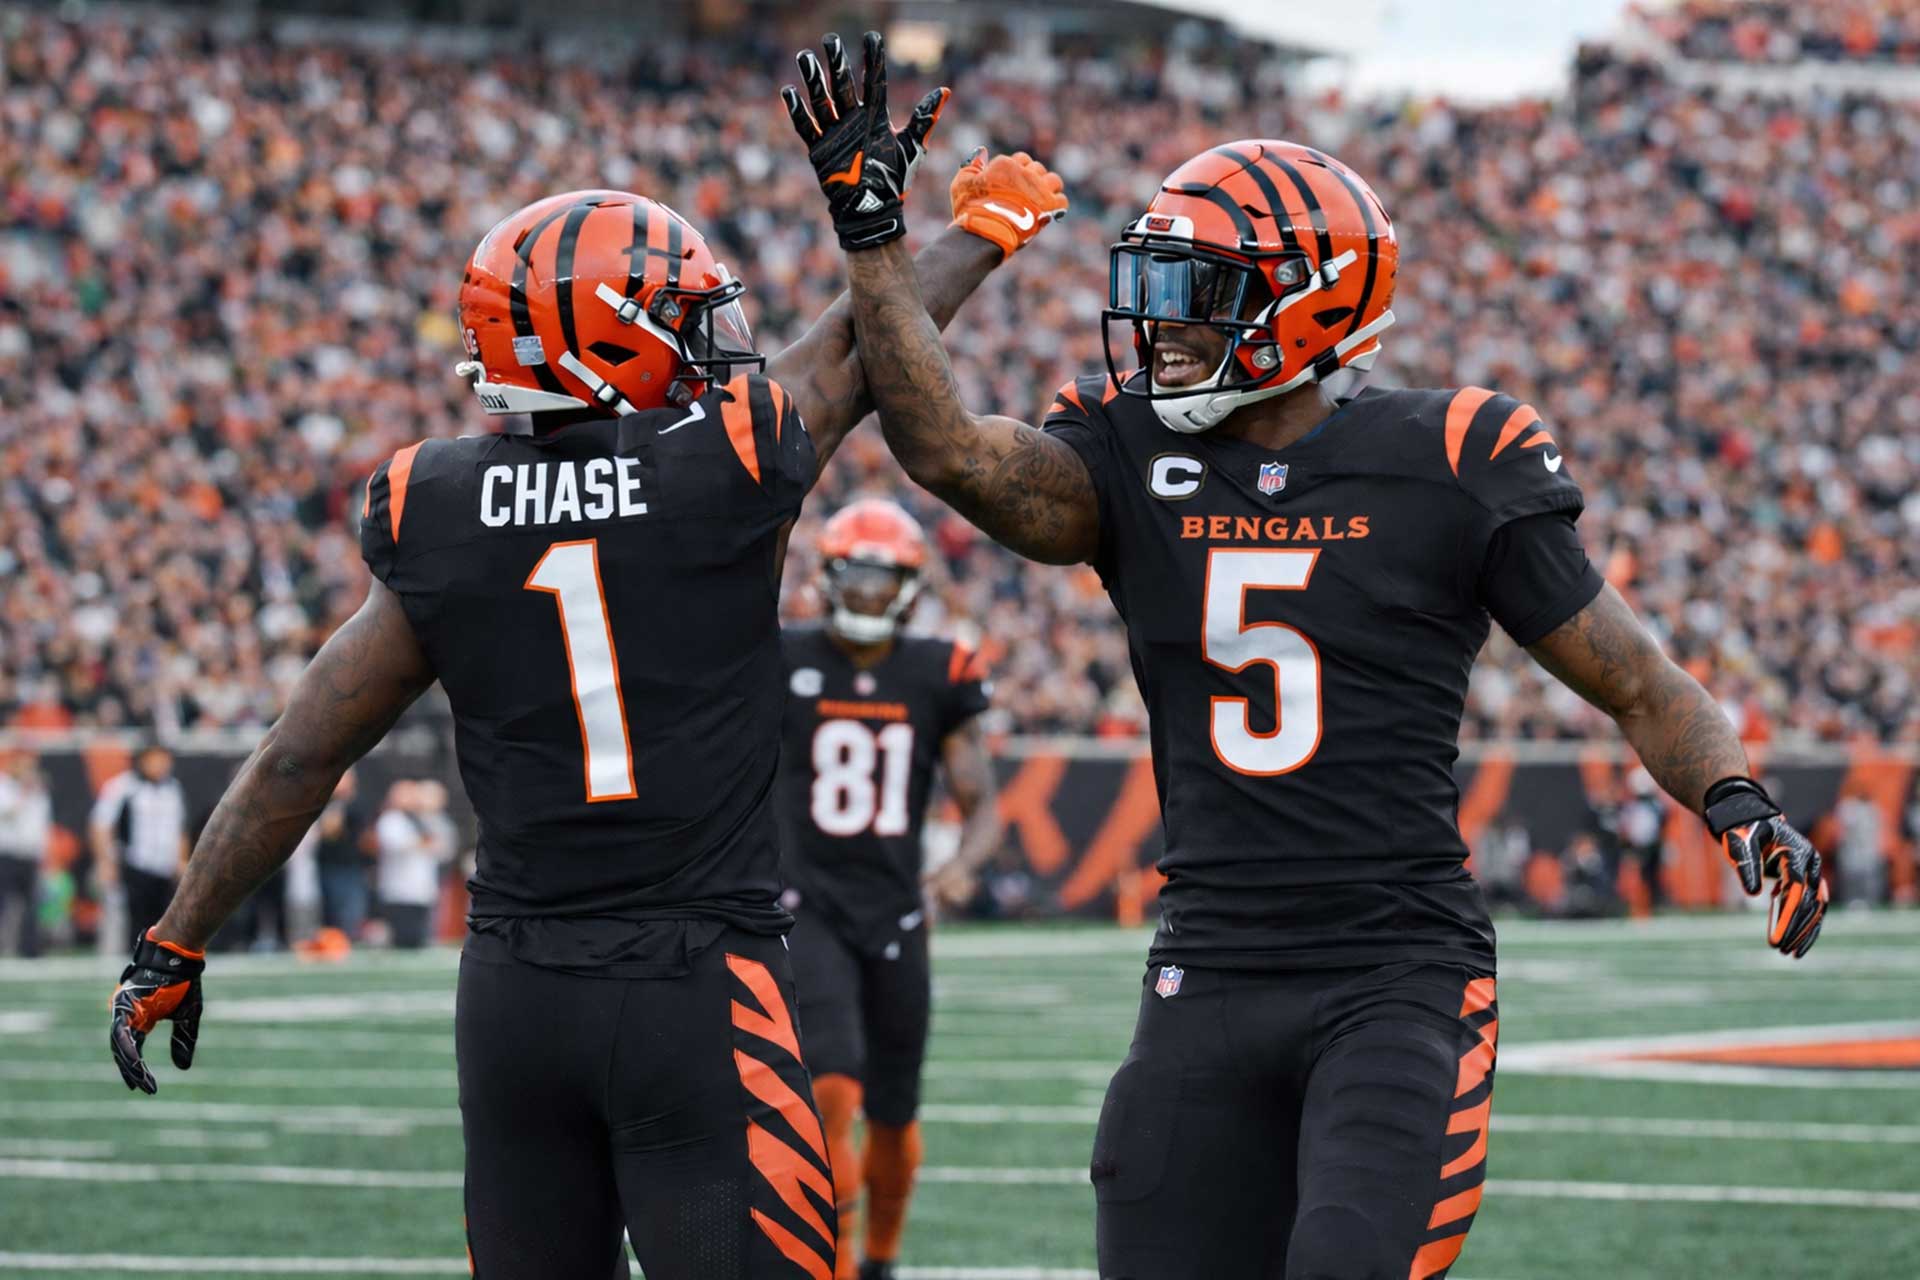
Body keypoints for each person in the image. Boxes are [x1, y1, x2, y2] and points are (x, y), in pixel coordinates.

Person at [782, 36, 1829, 1278]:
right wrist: (873, 231)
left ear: (1309, 303)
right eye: (1160, 285)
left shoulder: (1451, 456)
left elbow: (1640, 682)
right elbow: (948, 448)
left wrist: (1737, 799)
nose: (1159, 323)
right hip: (1207, 964)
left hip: (1396, 971)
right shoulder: (1127, 456)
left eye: (1199, 291)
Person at [105, 122, 1068, 1279]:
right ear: (612, 341)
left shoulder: (439, 508)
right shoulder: (723, 466)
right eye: (689, 319)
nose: (720, 347)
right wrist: (983, 232)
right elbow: (859, 350)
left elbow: (296, 758)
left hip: (515, 997)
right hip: (698, 987)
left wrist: (174, 940)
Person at [778, 498, 1002, 1280]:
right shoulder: (782, 657)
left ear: (907, 587)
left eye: (884, 581)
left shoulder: (939, 669)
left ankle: (881, 1258)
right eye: (857, 578)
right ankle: (836, 1266)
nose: (869, 595)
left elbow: (982, 803)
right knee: (831, 1093)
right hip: (805, 904)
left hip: (898, 907)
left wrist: (964, 860)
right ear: (830, 577)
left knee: (896, 1113)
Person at [89, 742, 189, 945]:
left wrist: (181, 860)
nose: (161, 765)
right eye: (155, 759)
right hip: (134, 865)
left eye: (164, 759)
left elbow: (180, 828)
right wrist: (105, 861)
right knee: (134, 926)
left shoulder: (173, 789)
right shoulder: (123, 787)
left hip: (164, 868)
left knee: (163, 926)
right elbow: (100, 824)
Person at [374, 779, 457, 949]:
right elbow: (395, 844)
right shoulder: (391, 819)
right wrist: (422, 843)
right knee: (404, 939)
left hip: (423, 889)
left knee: (420, 939)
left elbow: (443, 848)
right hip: (398, 891)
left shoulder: (423, 820)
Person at [0, 753, 52, 957]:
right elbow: (6, 813)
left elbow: (42, 826)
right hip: (6, 854)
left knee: (31, 905)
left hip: (30, 855)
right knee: (3, 904)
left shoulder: (39, 793)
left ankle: (29, 949)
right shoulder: (4, 787)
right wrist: (23, 794)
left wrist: (44, 853)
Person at [312, 768, 373, 939]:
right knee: (330, 913)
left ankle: (348, 942)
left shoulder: (357, 804)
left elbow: (332, 830)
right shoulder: (326, 803)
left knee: (350, 913)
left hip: (350, 868)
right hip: (327, 865)